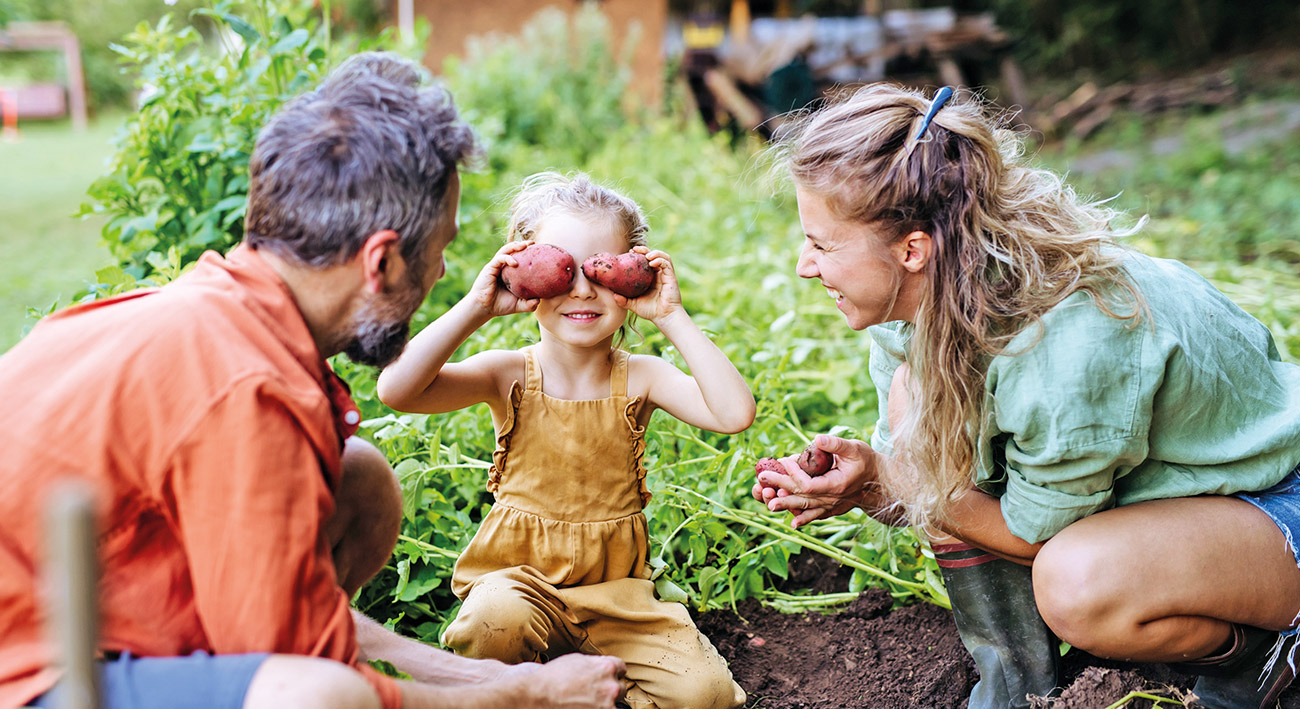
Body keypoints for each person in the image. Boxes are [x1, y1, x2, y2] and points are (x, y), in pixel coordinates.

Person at [0, 53, 626, 709]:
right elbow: (309, 677)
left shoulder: (221, 313)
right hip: (26, 671)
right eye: (441, 246)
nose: (442, 271)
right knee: (316, 696)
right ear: (381, 259)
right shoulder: (246, 388)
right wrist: (524, 695)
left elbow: (288, 621)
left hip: (75, 599)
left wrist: (483, 676)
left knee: (358, 481)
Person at [752, 83, 1300, 709]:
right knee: (929, 431)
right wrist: (874, 478)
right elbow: (942, 493)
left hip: (1276, 501)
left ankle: (1265, 660)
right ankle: (1021, 687)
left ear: (911, 250)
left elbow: (1033, 533)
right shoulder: (920, 305)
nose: (804, 265)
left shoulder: (1063, 341)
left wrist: (899, 476)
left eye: (821, 244)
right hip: (1185, 509)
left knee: (1078, 583)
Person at [376, 172, 755, 709]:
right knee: (494, 621)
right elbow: (396, 389)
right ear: (521, 276)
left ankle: (581, 680)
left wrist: (671, 315)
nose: (581, 289)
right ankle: (520, 687)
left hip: (619, 600)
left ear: (636, 279)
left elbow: (734, 413)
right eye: (561, 270)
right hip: (519, 586)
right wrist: (475, 307)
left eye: (603, 271)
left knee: (706, 695)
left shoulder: (643, 377)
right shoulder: (506, 373)